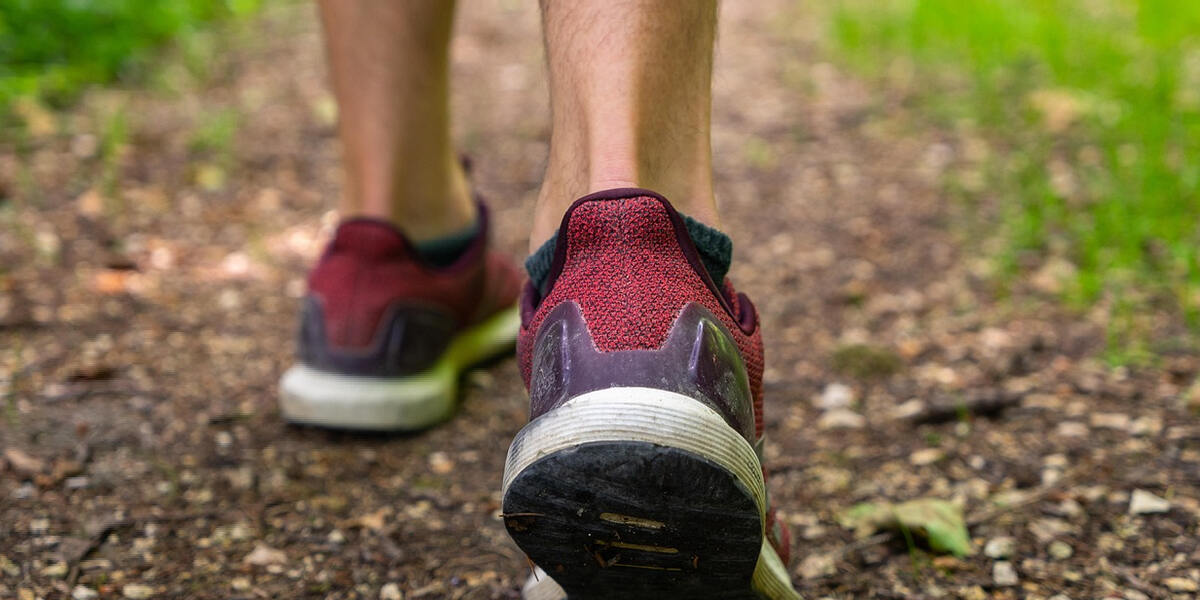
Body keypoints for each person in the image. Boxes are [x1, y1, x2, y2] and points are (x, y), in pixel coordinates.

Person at [277, 2, 800, 598]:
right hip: (663, 314)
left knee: (400, 213)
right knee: (636, 228)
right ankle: (648, 248)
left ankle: (390, 230)